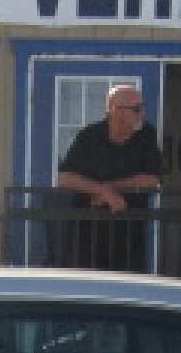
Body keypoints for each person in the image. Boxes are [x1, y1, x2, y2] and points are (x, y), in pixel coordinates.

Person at [56, 85, 163, 270]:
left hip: (130, 232)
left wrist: (108, 189)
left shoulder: (147, 135)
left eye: (142, 108)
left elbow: (152, 179)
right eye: (136, 109)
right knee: (89, 289)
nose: (142, 114)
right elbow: (66, 177)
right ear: (116, 111)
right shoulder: (88, 136)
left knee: (130, 291)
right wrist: (103, 191)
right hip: (88, 231)